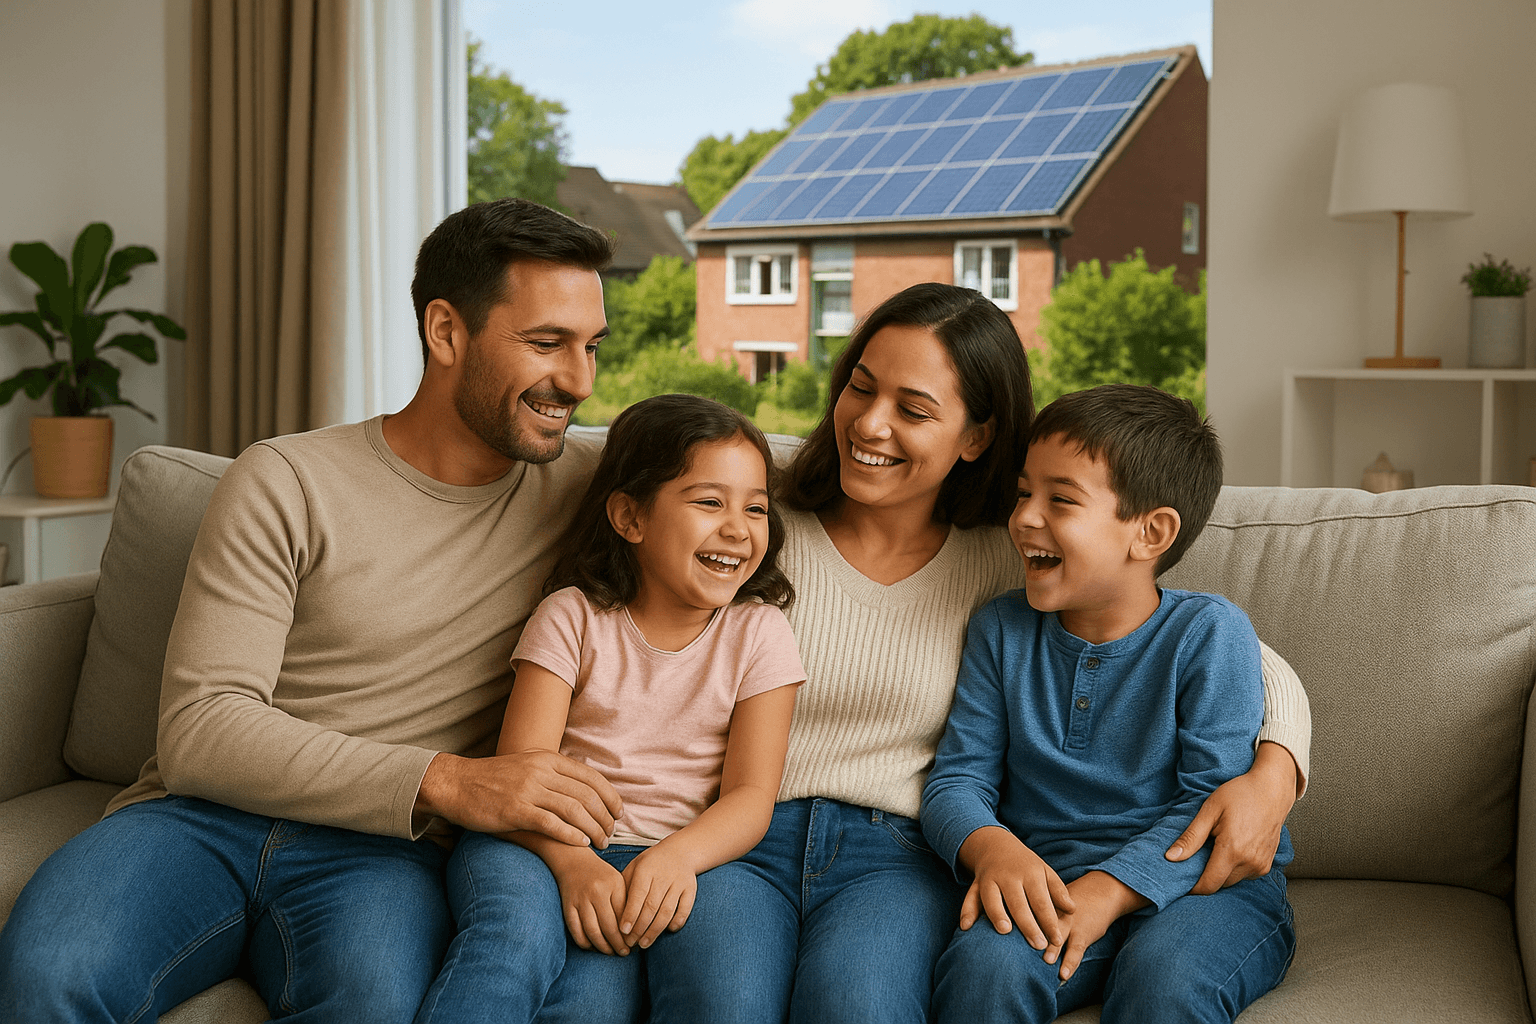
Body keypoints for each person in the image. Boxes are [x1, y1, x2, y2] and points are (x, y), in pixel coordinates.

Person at [0, 199, 634, 1023]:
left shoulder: (593, 492)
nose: (579, 383)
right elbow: (201, 729)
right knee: (49, 976)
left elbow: (742, 497)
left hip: (382, 854)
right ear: (446, 333)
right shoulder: (285, 480)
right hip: (196, 824)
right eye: (547, 344)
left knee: (376, 1004)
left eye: (591, 347)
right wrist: (452, 780)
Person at [651, 284, 1310, 1023]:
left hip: (895, 854)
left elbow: (1225, 651)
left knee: (861, 1005)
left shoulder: (1014, 562)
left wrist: (1278, 767)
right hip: (750, 834)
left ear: (976, 436)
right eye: (859, 388)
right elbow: (626, 617)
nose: (869, 422)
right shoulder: (749, 524)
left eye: (914, 407)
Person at [414, 394, 806, 1022]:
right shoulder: (571, 617)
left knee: (665, 997)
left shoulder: (760, 634)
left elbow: (751, 799)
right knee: (516, 956)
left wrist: (676, 857)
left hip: (679, 855)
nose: (738, 528)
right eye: (710, 502)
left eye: (755, 508)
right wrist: (574, 866)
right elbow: (519, 780)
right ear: (630, 516)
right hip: (534, 845)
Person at [921, 383, 1296, 1023]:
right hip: (1051, 884)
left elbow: (1212, 809)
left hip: (1206, 892)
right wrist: (990, 847)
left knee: (1164, 984)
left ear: (1150, 533)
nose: (1025, 518)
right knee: (983, 973)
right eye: (1022, 494)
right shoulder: (1001, 630)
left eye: (1060, 500)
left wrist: (1108, 892)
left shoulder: (1209, 634)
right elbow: (957, 778)